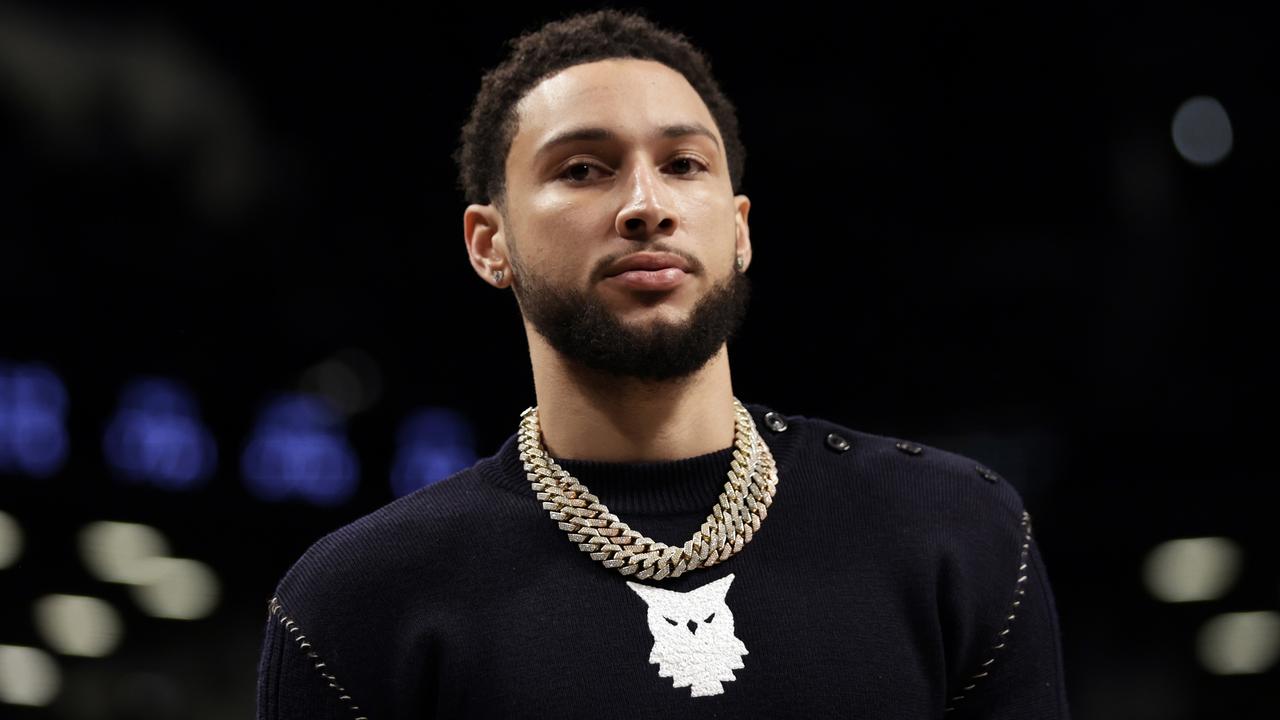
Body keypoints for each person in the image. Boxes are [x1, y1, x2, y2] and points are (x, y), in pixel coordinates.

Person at [255, 9, 1070, 719]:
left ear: (740, 229)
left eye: (684, 164)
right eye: (583, 169)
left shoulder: (956, 533)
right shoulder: (357, 602)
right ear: (488, 243)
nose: (647, 205)